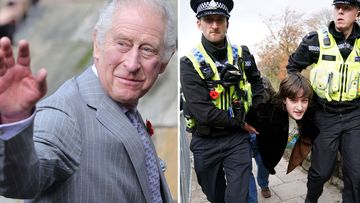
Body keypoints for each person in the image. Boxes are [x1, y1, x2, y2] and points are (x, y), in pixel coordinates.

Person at [0, 0, 176, 202]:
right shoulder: (63, 116)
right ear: (97, 44)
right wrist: (13, 120)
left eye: (147, 49)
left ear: (164, 61)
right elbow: (21, 182)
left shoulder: (126, 108)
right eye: (122, 44)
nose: (132, 63)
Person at [180, 0, 264, 202]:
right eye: (209, 20)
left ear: (227, 23)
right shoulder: (188, 63)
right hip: (205, 140)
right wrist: (242, 122)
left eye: (220, 20)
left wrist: (257, 115)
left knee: (238, 197)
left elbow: (257, 83)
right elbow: (204, 113)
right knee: (214, 195)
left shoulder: (242, 54)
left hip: (236, 138)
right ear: (199, 23)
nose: (215, 25)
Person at [286, 0, 360, 202]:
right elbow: (292, 69)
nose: (341, 12)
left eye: (347, 8)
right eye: (337, 7)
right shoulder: (315, 40)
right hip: (325, 115)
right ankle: (311, 200)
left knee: (357, 175)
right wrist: (297, 98)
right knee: (320, 172)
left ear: (358, 12)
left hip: (355, 116)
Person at [245, 73, 318, 177]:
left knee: (263, 169)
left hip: (271, 144)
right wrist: (245, 125)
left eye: (304, 101)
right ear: (284, 99)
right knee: (255, 170)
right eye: (293, 100)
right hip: (256, 141)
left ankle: (264, 183)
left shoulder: (310, 114)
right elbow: (246, 119)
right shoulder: (267, 114)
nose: (300, 107)